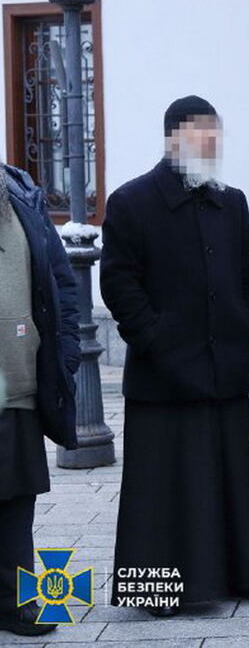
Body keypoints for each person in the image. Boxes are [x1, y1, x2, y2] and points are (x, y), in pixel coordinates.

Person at [100, 96, 249, 615]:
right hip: (164, 376)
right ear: (173, 138)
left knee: (226, 481)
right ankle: (158, 593)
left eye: (216, 133)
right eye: (202, 133)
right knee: (163, 491)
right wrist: (156, 339)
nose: (212, 142)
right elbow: (119, 286)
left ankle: (235, 577)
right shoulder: (131, 202)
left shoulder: (232, 201)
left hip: (224, 369)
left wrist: (248, 330)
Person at [0, 163, 80, 637]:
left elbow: (60, 279)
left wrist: (65, 352)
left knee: (16, 495)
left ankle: (13, 601)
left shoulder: (21, 193)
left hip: (18, 379)